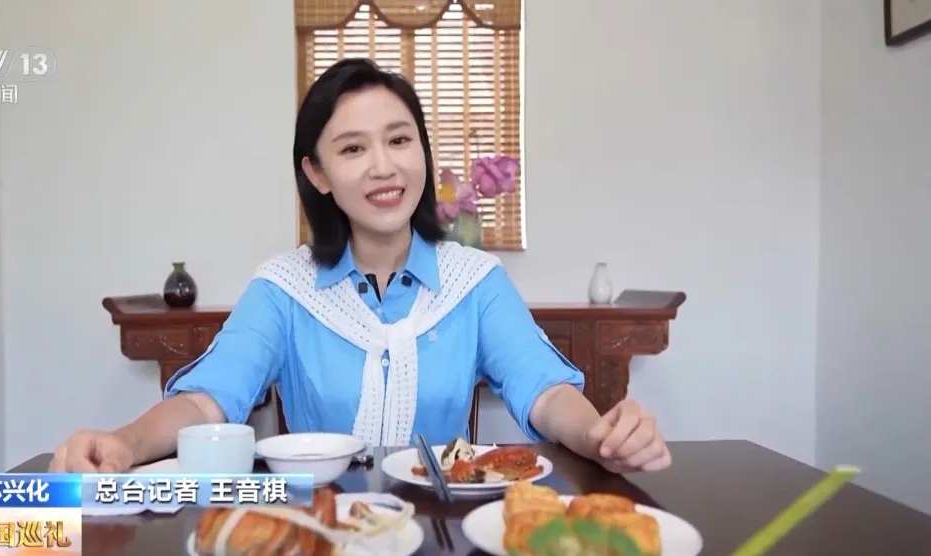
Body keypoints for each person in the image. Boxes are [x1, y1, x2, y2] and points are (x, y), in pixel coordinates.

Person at [49, 58, 670, 475]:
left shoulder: (474, 282)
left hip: (441, 526)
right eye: (353, 148)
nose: (383, 166)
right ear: (317, 174)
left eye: (400, 140)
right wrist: (124, 444)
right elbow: (207, 401)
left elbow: (548, 393)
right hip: (319, 528)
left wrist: (600, 438)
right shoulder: (283, 289)